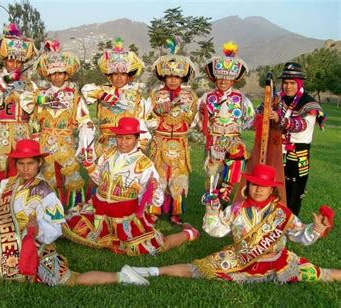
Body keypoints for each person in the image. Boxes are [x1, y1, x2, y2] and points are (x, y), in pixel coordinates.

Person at [0, 139, 151, 286]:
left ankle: (122, 275)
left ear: (38, 164)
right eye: (21, 163)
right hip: (10, 242)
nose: (25, 168)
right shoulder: (9, 182)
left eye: (30, 163)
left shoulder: (46, 193)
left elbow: (56, 226)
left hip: (39, 248)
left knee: (72, 279)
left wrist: (37, 231)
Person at [123, 164, 340, 283]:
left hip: (279, 262)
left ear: (272, 189)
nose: (259, 189)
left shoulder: (281, 212)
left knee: (322, 274)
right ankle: (153, 271)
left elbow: (299, 234)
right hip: (240, 259)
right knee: (200, 268)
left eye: (264, 186)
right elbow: (217, 230)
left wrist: (315, 230)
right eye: (255, 184)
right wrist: (212, 210)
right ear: (249, 185)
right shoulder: (236, 209)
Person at [64, 117, 199, 256]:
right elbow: (102, 181)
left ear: (137, 138)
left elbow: (157, 200)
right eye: (119, 138)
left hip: (124, 215)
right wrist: (91, 168)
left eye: (128, 138)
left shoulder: (144, 164)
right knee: (71, 226)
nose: (123, 142)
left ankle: (188, 234)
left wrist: (151, 189)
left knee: (149, 246)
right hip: (100, 210)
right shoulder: (108, 154)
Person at [31, 39, 94, 208]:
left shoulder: (75, 97)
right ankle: (49, 210)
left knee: (72, 176)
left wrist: (85, 137)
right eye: (53, 73)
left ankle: (73, 210)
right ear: (48, 75)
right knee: (47, 177)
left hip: (66, 144)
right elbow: (34, 120)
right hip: (45, 145)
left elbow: (84, 120)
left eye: (60, 73)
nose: (57, 77)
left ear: (66, 74)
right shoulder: (40, 95)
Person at [192, 41, 254, 199]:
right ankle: (212, 209)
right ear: (214, 79)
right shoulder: (207, 97)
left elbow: (251, 118)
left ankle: (226, 191)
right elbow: (195, 119)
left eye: (227, 78)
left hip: (233, 139)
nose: (223, 81)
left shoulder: (241, 98)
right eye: (220, 78)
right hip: (214, 141)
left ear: (234, 80)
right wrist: (202, 123)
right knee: (213, 176)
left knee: (238, 157)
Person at [148, 39, 198, 225]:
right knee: (157, 177)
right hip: (160, 141)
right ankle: (154, 210)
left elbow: (191, 119)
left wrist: (180, 110)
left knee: (178, 177)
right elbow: (150, 117)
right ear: (163, 77)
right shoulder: (155, 95)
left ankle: (175, 212)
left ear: (182, 78)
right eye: (169, 76)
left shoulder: (190, 96)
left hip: (179, 142)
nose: (172, 79)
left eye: (176, 77)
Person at [0, 23, 37, 183]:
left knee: (22, 173)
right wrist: (6, 81)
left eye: (19, 62)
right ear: (4, 60)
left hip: (23, 133)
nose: (15, 65)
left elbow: (33, 113)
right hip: (1, 134)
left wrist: (35, 137)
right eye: (11, 61)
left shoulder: (29, 83)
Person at [268, 62, 324, 216]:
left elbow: (302, 125)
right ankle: (270, 221)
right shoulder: (277, 98)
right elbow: (262, 111)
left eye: (292, 83)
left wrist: (280, 119)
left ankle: (289, 226)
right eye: (285, 82)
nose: (288, 86)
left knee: (294, 190)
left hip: (298, 153)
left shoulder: (309, 103)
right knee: (273, 186)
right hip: (277, 150)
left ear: (299, 83)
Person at [81, 38, 151, 158]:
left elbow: (141, 121)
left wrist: (140, 144)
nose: (119, 78)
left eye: (123, 74)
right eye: (115, 74)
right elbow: (85, 90)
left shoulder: (135, 96)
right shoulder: (102, 90)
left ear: (129, 77)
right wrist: (100, 94)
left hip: (127, 143)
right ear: (110, 76)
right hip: (104, 144)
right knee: (102, 174)